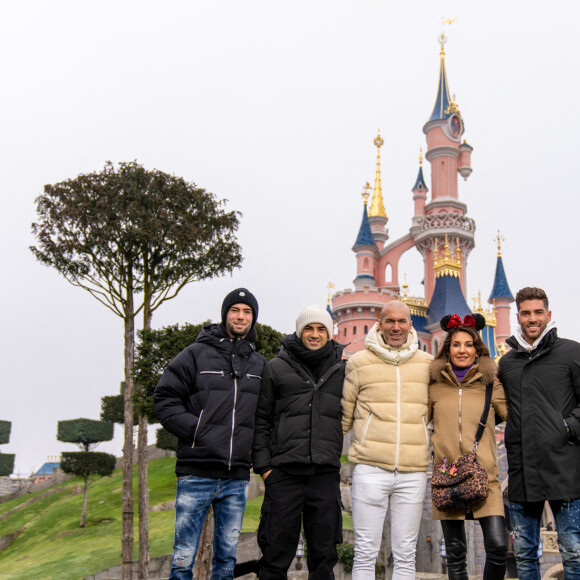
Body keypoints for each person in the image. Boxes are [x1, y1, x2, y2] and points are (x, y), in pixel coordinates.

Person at [153, 288, 266, 580]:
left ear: (253, 319)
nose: (241, 317)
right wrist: (197, 431)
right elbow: (164, 398)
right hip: (196, 472)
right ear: (225, 314)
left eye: (247, 312)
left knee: (226, 559)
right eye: (235, 310)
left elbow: (265, 417)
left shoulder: (260, 365)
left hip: (236, 477)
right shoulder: (195, 354)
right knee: (183, 557)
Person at [252, 304, 346, 579]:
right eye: (309, 328)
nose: (314, 334)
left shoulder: (341, 370)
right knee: (275, 553)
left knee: (324, 556)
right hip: (284, 473)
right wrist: (265, 469)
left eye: (321, 329)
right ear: (299, 331)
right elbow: (262, 420)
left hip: (324, 474)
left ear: (329, 334)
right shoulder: (276, 368)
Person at [341, 300, 433, 579]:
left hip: (413, 471)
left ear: (410, 324)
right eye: (390, 321)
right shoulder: (358, 362)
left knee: (406, 554)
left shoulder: (428, 365)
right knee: (365, 552)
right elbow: (344, 416)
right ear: (379, 324)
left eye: (401, 321)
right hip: (370, 467)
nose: (396, 327)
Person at [498, 287, 580, 579]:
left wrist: (567, 428)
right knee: (524, 554)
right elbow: (497, 407)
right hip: (522, 471)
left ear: (548, 314)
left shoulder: (572, 352)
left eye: (537, 312)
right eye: (526, 313)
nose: (532, 319)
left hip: (564, 468)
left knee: (573, 552)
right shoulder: (507, 364)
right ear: (517, 317)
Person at [429, 313, 508, 580]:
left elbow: (516, 416)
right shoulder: (434, 386)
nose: (462, 350)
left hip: (485, 476)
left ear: (477, 349)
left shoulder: (490, 386)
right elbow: (416, 421)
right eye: (456, 344)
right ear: (448, 349)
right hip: (447, 477)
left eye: (468, 344)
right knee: (455, 553)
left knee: (498, 546)